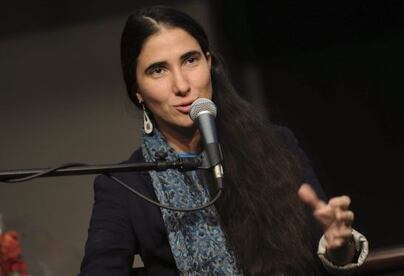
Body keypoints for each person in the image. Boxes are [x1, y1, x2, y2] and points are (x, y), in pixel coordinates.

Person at [80, 6, 368, 276]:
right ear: (138, 90)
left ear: (209, 63)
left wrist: (339, 248)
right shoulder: (123, 186)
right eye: (158, 70)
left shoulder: (276, 145)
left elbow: (331, 245)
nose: (181, 86)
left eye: (190, 60)